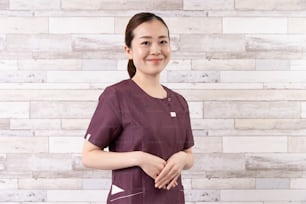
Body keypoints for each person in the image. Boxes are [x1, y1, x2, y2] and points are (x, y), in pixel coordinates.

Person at [82, 12, 194, 204]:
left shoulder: (179, 102)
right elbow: (89, 156)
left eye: (162, 42)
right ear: (128, 51)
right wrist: (139, 158)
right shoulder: (116, 96)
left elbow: (190, 155)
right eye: (145, 43)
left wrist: (182, 158)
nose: (156, 50)